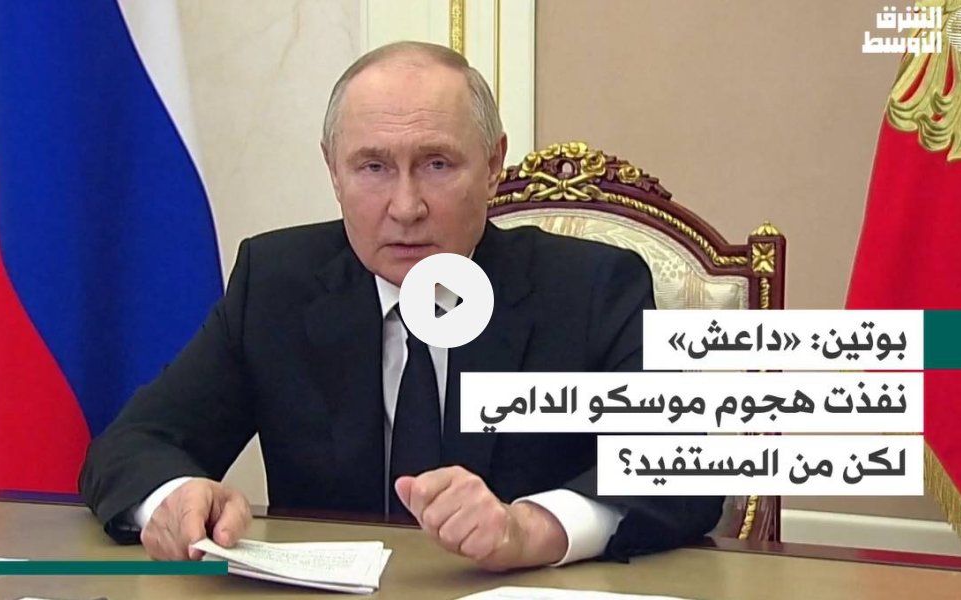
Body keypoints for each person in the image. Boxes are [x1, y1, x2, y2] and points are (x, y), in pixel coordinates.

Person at [79, 41, 722, 571]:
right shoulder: (276, 282)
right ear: (333, 170)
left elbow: (687, 470)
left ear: (493, 165)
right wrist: (173, 499)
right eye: (373, 168)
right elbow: (133, 444)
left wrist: (532, 528)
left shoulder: (590, 287)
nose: (406, 207)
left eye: (437, 164)